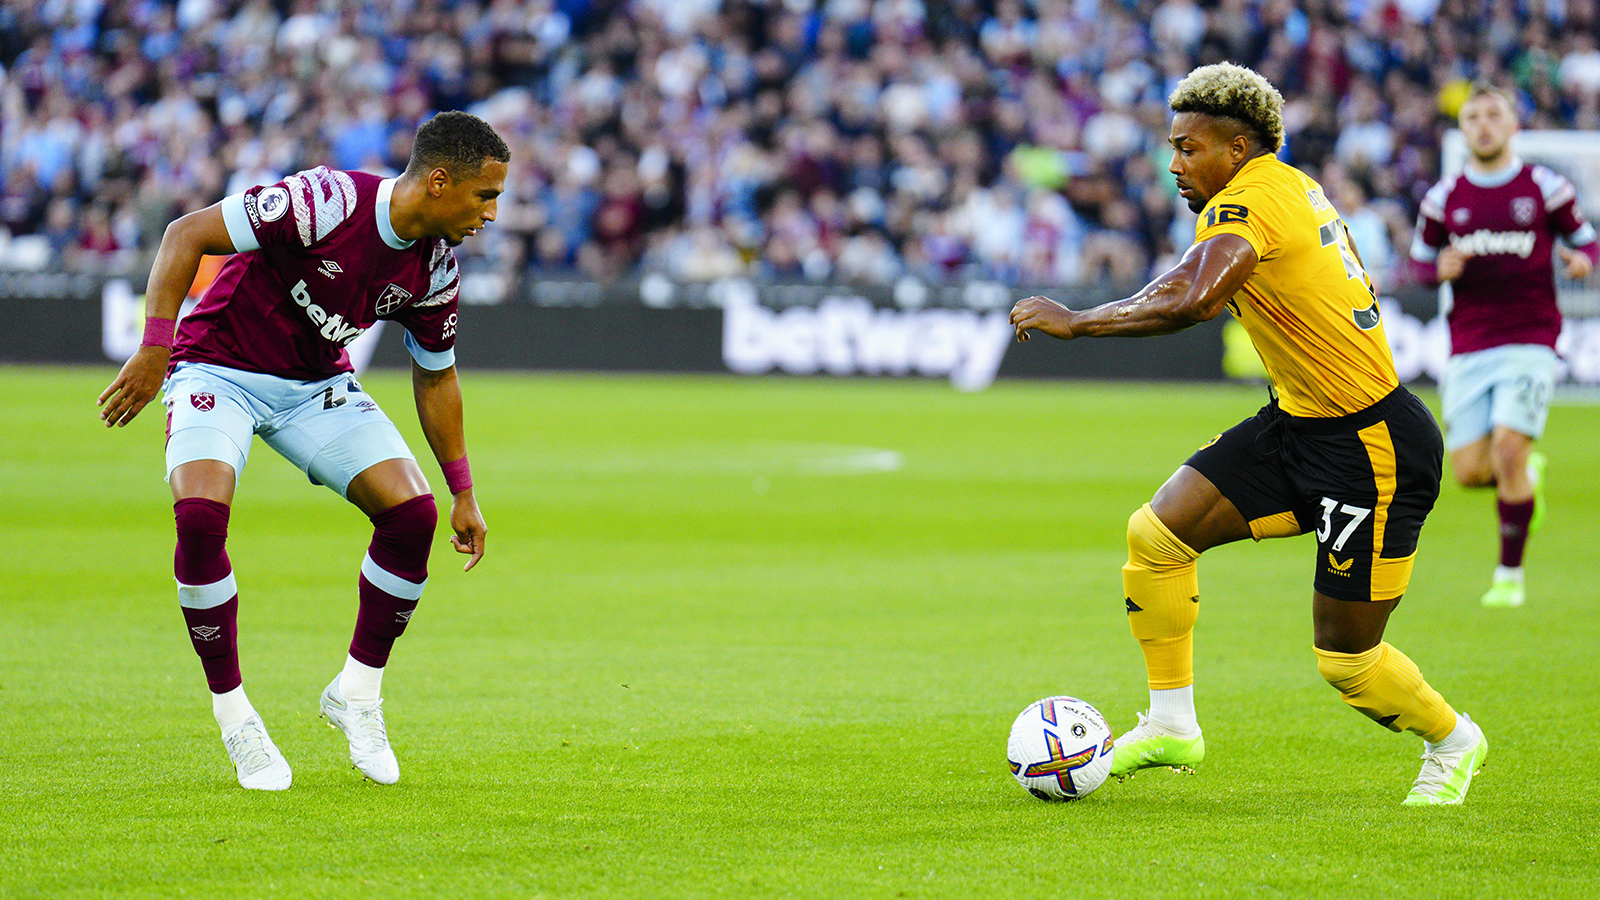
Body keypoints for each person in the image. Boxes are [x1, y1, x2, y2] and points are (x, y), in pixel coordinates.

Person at [1010, 63, 1485, 805]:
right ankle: (1172, 724)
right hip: (1299, 423)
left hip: (1372, 450)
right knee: (1157, 536)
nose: (1173, 163)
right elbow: (1189, 281)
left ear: (1236, 148)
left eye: (1187, 147)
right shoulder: (1288, 186)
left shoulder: (1252, 199)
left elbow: (1193, 299)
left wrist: (1078, 321)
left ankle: (1454, 742)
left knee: (1348, 664)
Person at [96, 111, 506, 790]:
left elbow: (437, 377)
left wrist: (463, 489)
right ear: (439, 182)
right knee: (200, 519)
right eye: (484, 195)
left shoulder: (435, 270)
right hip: (217, 367)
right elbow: (186, 233)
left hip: (315, 386)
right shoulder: (327, 201)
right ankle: (237, 720)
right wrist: (155, 346)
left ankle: (357, 694)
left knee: (412, 516)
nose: (491, 213)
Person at [1409, 85, 1598, 609]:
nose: (1484, 125)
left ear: (1514, 125)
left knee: (1508, 449)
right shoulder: (1444, 198)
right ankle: (1525, 479)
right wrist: (1435, 270)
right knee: (1471, 472)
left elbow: (1586, 241)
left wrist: (1583, 261)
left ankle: (1508, 577)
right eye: (1474, 117)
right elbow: (1419, 263)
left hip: (1532, 338)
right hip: (1469, 344)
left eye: (1495, 115)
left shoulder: (1544, 186)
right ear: (1462, 129)